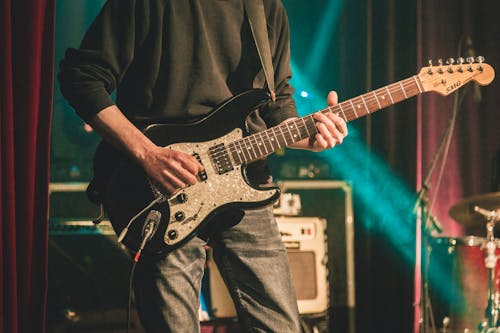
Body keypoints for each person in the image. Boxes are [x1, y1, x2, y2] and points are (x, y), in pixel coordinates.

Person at [58, 0, 348, 332]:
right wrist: (147, 155)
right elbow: (81, 78)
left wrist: (308, 137)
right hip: (163, 189)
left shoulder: (267, 7)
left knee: (280, 326)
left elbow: (276, 100)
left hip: (245, 182)